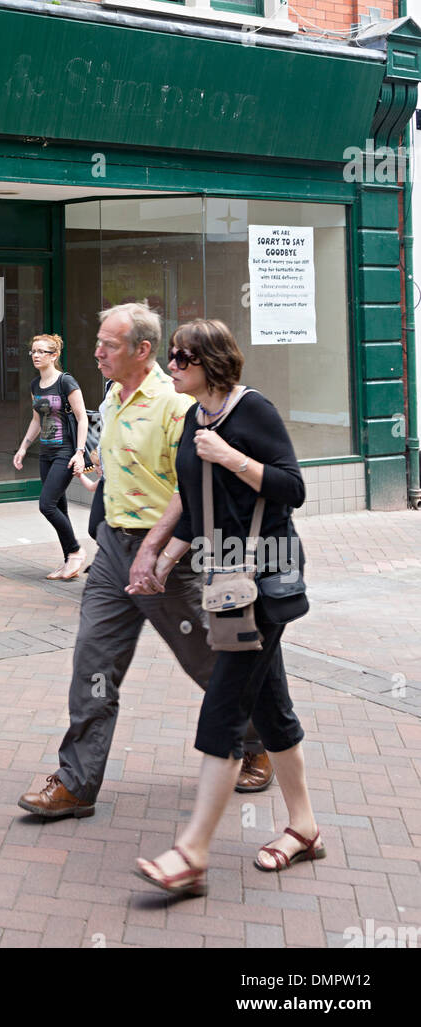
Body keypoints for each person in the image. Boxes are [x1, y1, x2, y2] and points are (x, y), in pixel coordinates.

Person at [18, 303, 271, 821]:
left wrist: (157, 549)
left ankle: (259, 740)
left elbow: (195, 487)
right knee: (93, 661)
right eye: (98, 342)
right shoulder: (112, 393)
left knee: (205, 658)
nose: (96, 352)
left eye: (108, 345)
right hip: (114, 551)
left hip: (169, 557)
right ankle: (76, 783)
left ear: (143, 349)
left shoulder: (176, 405)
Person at [135, 318, 320, 896]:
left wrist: (231, 456)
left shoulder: (251, 412)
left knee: (224, 707)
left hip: (266, 577)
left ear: (211, 361)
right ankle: (306, 829)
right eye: (171, 357)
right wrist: (164, 560)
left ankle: (192, 853)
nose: (172, 366)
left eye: (181, 358)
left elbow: (293, 488)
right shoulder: (195, 417)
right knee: (270, 708)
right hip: (226, 577)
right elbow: (197, 506)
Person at [13, 334, 88, 581]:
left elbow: (82, 417)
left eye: (42, 351)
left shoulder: (66, 382)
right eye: (33, 351)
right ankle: (69, 561)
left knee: (46, 505)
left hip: (65, 451)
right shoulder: (35, 385)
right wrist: (23, 448)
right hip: (46, 453)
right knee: (59, 506)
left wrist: (79, 452)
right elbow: (37, 420)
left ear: (54, 355)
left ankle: (76, 551)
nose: (36, 355)